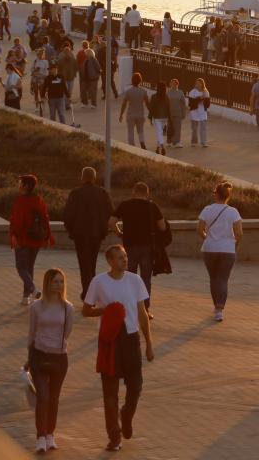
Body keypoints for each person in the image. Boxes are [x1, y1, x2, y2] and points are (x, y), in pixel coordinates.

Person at [82, 245, 155, 452]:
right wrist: (106, 311)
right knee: (110, 391)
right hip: (109, 340)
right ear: (110, 261)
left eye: (125, 256)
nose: (125, 260)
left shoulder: (135, 280)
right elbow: (86, 310)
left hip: (131, 338)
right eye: (120, 258)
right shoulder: (99, 282)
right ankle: (114, 436)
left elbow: (142, 313)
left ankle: (127, 414)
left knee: (136, 385)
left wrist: (149, 343)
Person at [26, 268, 75, 454]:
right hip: (39, 355)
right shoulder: (36, 307)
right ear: (47, 283)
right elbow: (31, 333)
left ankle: (50, 435)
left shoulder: (68, 308)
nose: (59, 285)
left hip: (60, 358)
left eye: (61, 281)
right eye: (55, 281)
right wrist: (28, 357)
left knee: (54, 399)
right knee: (43, 397)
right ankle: (40, 436)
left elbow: (68, 332)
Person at [109, 182, 167, 315]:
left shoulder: (125, 205)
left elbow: (111, 222)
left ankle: (128, 308)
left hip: (129, 248)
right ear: (147, 193)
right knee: (145, 279)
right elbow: (162, 227)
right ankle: (144, 310)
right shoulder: (152, 207)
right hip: (148, 248)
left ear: (133, 192)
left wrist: (118, 232)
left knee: (128, 277)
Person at [64, 167, 114, 302]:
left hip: (80, 234)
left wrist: (71, 230)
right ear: (94, 177)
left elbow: (68, 215)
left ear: (82, 177)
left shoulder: (76, 193)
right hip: (96, 234)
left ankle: (87, 292)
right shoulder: (102, 193)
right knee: (92, 263)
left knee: (84, 264)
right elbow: (110, 212)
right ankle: (91, 291)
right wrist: (104, 229)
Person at [197, 182, 243, 322]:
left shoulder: (207, 209)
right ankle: (219, 310)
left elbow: (200, 230)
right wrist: (233, 243)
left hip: (210, 248)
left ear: (215, 194)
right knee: (222, 279)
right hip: (227, 249)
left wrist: (208, 238)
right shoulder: (233, 211)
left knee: (213, 278)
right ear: (228, 196)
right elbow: (239, 233)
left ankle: (215, 306)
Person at [9, 175, 55, 306]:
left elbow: (17, 221)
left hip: (22, 239)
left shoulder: (21, 201)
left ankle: (33, 290)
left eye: (20, 183)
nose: (18, 185)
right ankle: (25, 297)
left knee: (21, 268)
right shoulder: (38, 200)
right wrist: (47, 236)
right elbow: (45, 219)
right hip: (36, 239)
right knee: (29, 267)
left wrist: (14, 236)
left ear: (26, 186)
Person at [119, 72, 150, 149]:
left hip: (131, 114)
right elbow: (147, 104)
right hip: (140, 114)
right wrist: (151, 113)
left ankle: (132, 146)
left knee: (130, 132)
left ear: (132, 81)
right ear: (140, 81)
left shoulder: (128, 91)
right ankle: (142, 143)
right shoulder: (143, 92)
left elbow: (124, 104)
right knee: (140, 131)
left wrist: (121, 114)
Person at [148, 80, 170, 156]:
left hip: (157, 117)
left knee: (159, 133)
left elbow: (151, 108)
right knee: (160, 133)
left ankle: (162, 147)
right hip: (165, 117)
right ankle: (157, 148)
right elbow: (169, 108)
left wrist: (150, 118)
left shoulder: (154, 97)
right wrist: (169, 119)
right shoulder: (166, 97)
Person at [188, 77, 211, 147]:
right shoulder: (192, 92)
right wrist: (199, 99)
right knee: (194, 129)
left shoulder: (206, 92)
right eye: (197, 83)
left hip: (203, 113)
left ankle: (203, 142)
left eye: (199, 83)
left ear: (202, 84)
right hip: (194, 112)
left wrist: (204, 101)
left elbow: (208, 104)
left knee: (203, 128)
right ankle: (194, 142)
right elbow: (190, 103)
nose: (197, 85)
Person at [166, 79, 186, 148]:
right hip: (170, 113)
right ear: (170, 84)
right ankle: (169, 142)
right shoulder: (168, 92)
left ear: (177, 84)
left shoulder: (180, 92)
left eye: (175, 84)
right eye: (172, 83)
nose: (173, 85)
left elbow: (183, 104)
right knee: (170, 127)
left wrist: (183, 113)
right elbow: (166, 103)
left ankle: (177, 142)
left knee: (177, 128)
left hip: (178, 113)